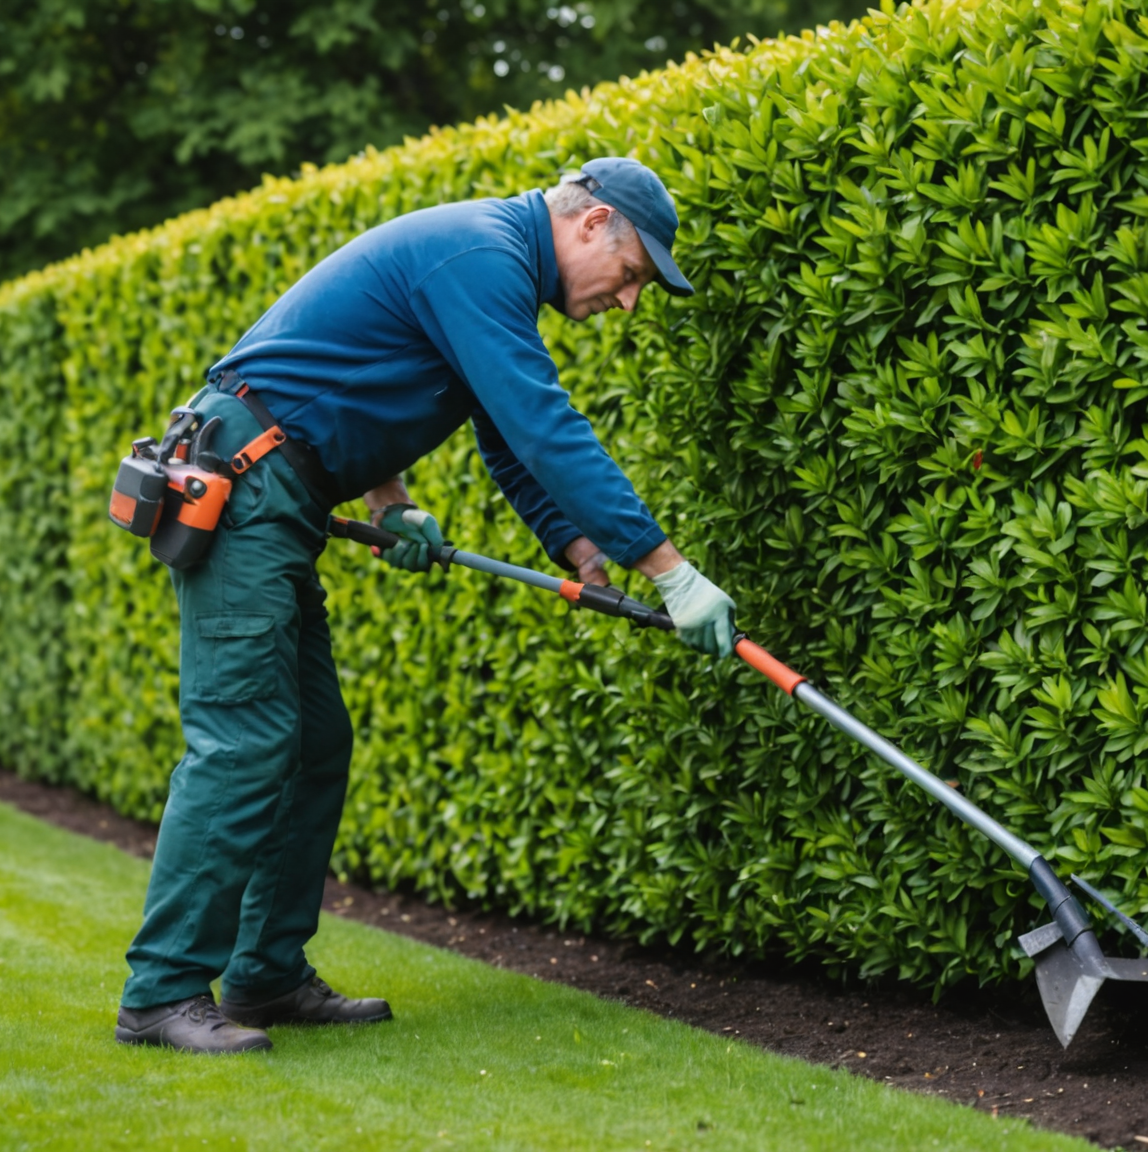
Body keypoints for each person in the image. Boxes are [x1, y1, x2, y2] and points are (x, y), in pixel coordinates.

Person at [114, 157, 738, 1053]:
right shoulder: (480, 256)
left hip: (280, 491)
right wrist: (670, 570)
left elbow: (480, 434)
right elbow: (541, 423)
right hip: (245, 492)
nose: (627, 300)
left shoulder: (490, 268)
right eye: (634, 274)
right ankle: (161, 994)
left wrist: (573, 549)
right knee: (243, 740)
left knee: (316, 742)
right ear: (594, 223)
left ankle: (264, 975)